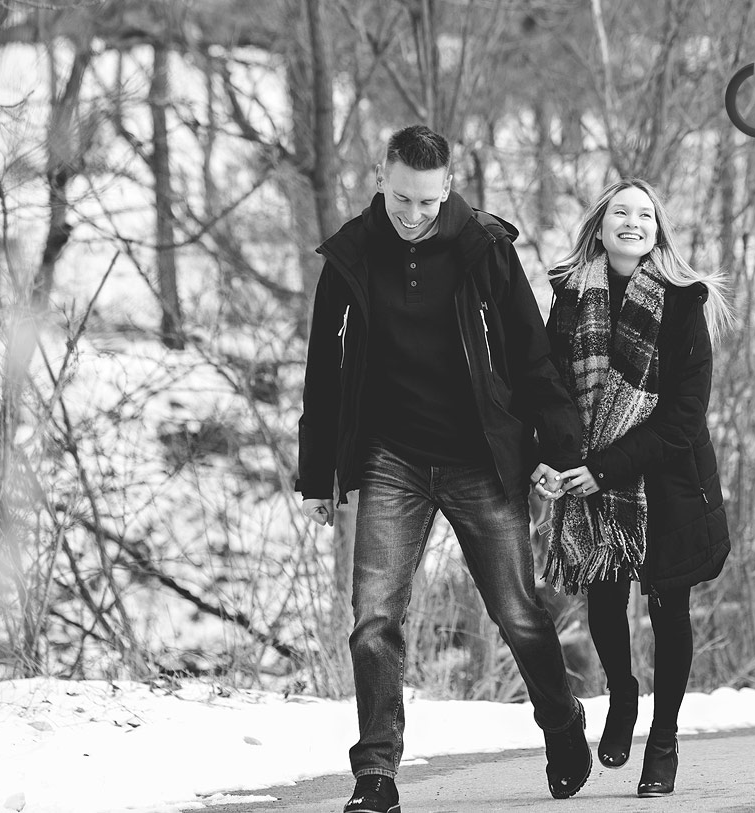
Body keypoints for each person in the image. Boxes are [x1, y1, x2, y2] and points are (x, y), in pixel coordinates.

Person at [296, 125, 592, 813]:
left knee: (516, 611)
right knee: (374, 618)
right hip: (391, 458)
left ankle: (560, 720)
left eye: (428, 202)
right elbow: (323, 371)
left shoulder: (484, 247)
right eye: (401, 197)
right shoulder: (351, 253)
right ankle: (376, 774)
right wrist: (318, 475)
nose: (413, 213)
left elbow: (530, 355)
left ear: (449, 187)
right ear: (381, 176)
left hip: (479, 458)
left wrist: (559, 449)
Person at [537, 178, 732, 798]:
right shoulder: (570, 295)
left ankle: (665, 739)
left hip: (669, 480)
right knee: (604, 597)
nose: (633, 221)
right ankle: (622, 694)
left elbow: (683, 416)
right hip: (592, 477)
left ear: (657, 230)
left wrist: (605, 468)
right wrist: (552, 458)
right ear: (600, 226)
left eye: (645, 214)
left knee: (670, 610)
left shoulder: (683, 302)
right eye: (621, 211)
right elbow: (549, 386)